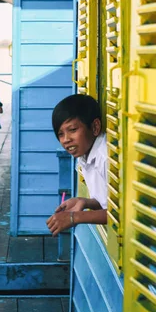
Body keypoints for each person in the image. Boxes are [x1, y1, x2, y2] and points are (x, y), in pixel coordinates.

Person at [46, 94, 107, 236]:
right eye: (61, 134)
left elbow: (122, 216)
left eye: (72, 130)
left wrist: (74, 217)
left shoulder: (105, 157)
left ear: (95, 127)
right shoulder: (85, 156)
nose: (66, 140)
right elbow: (107, 203)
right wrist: (84, 202)